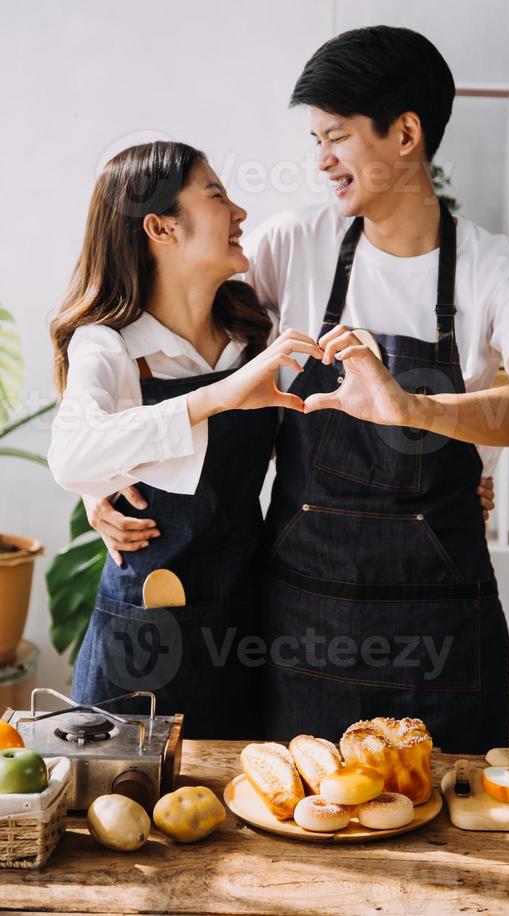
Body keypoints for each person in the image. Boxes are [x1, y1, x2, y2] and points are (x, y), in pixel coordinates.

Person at [242, 26, 509, 752]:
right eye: (314, 140)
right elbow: (171, 346)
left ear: (405, 133)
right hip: (305, 625)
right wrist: (103, 475)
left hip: (443, 633)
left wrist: (410, 408)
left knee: (451, 840)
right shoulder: (290, 246)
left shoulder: (502, 270)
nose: (322, 160)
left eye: (335, 136)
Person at [48, 140, 320, 739]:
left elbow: (306, 447)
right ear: (159, 227)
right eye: (218, 194)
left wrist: (458, 478)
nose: (240, 214)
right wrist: (215, 397)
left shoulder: (252, 337)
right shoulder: (109, 344)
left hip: (244, 626)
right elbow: (72, 455)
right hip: (140, 638)